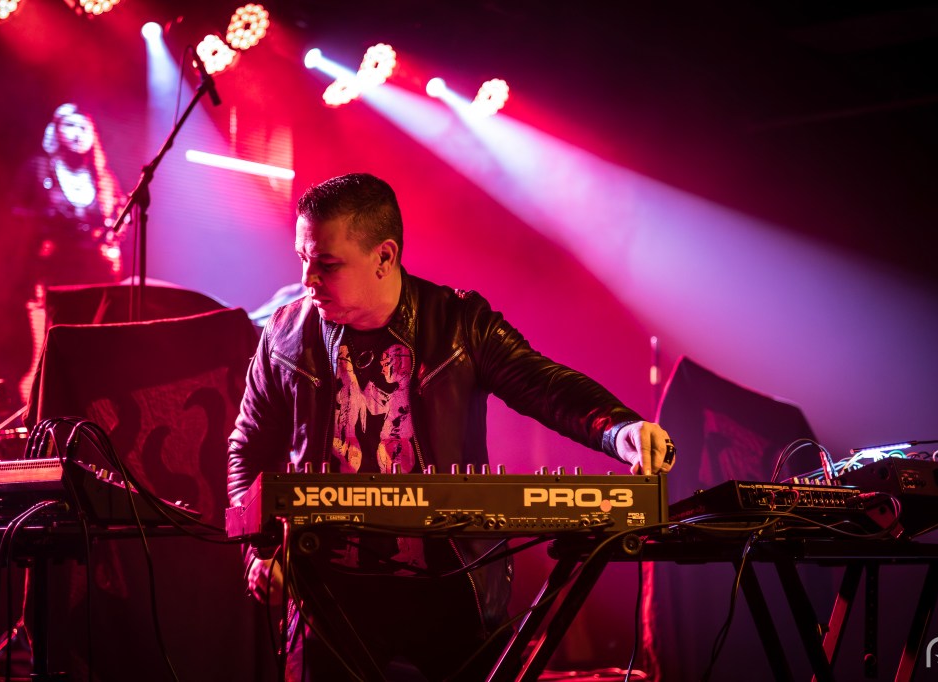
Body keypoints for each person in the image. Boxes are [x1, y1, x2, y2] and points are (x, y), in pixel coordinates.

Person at [227, 172, 676, 681]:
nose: (308, 278)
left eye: (327, 263)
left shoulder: (460, 322)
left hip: (453, 582)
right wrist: (261, 551)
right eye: (302, 258)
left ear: (384, 257)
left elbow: (544, 385)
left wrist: (619, 430)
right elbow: (247, 445)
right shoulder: (285, 334)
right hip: (329, 589)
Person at [11, 102, 126, 401]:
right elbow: (16, 218)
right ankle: (36, 409)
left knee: (88, 348)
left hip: (93, 279)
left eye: (84, 127)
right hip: (49, 276)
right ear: (56, 130)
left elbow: (117, 223)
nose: (77, 134)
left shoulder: (103, 179)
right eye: (70, 126)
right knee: (44, 349)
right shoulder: (38, 169)